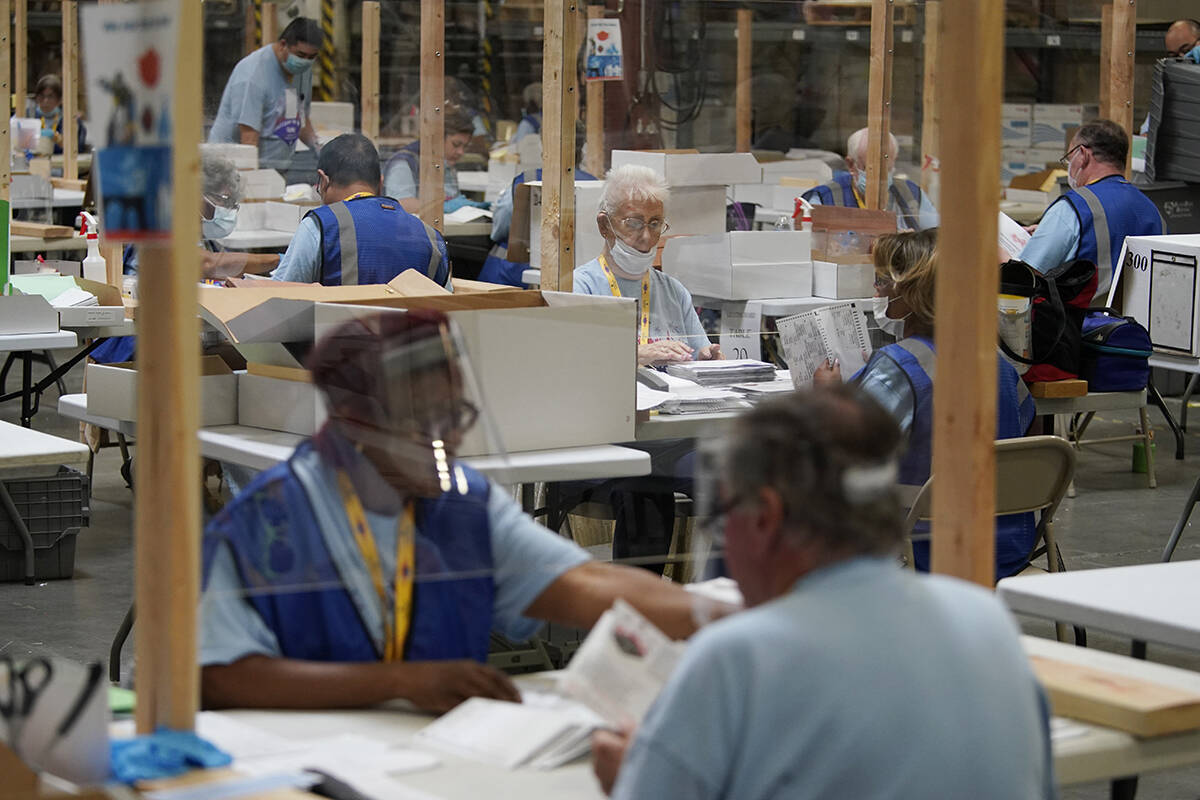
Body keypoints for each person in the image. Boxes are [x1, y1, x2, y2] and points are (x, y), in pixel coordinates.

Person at [199, 310, 713, 712]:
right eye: (424, 423)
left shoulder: (459, 502)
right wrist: (397, 683)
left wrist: (722, 618)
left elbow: (584, 584)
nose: (449, 439)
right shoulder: (269, 520)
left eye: (456, 416)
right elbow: (218, 676)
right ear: (356, 424)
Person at [592, 384, 1055, 799]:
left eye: (725, 515)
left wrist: (629, 777)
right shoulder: (987, 621)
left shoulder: (738, 658)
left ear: (765, 516)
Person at [815, 229, 1037, 580]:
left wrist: (827, 397)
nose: (878, 290)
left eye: (884, 280)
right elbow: (1026, 433)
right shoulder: (997, 364)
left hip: (920, 552)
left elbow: (845, 450)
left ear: (912, 292)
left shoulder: (901, 366)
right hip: (1004, 550)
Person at [574, 164, 721, 365]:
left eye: (655, 224)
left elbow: (699, 353)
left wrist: (708, 360)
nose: (646, 237)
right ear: (604, 225)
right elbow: (574, 361)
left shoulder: (674, 292)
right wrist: (636, 354)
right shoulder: (581, 288)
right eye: (634, 223)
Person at [271, 133, 451, 288]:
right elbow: (447, 299)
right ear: (381, 183)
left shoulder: (320, 226)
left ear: (323, 181)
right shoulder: (430, 237)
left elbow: (281, 297)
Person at [1019, 119, 1165, 304]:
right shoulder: (1152, 210)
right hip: (1138, 320)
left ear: (1082, 154)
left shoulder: (1074, 207)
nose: (1069, 166)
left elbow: (1026, 276)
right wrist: (1049, 230)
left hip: (1083, 320)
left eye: (1069, 158)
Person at [479, 122, 595, 287]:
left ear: (543, 145)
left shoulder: (527, 179)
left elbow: (500, 226)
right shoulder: (594, 184)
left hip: (515, 275)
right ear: (582, 147)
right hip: (575, 276)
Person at [208, 18, 322, 173]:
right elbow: (248, 138)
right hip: (232, 169)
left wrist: (319, 149)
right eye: (301, 55)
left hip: (275, 168)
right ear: (283, 45)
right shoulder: (254, 76)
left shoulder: (300, 70)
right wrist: (255, 181)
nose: (305, 61)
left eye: (311, 57)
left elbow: (298, 117)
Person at [801, 128, 939, 231]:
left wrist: (910, 243)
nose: (880, 178)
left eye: (887, 168)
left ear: (894, 160)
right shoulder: (824, 198)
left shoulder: (911, 194)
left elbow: (938, 239)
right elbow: (811, 246)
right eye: (870, 169)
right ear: (851, 164)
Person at [383, 105, 489, 216]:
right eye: (456, 144)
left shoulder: (445, 163)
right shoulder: (404, 163)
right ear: (438, 139)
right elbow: (401, 204)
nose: (460, 152)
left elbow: (452, 199)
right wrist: (442, 207)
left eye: (465, 146)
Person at [31, 74, 86, 155]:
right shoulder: (29, 117)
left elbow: (78, 149)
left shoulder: (71, 121)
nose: (45, 101)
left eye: (50, 96)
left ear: (60, 100)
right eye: (41, 96)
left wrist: (58, 141)